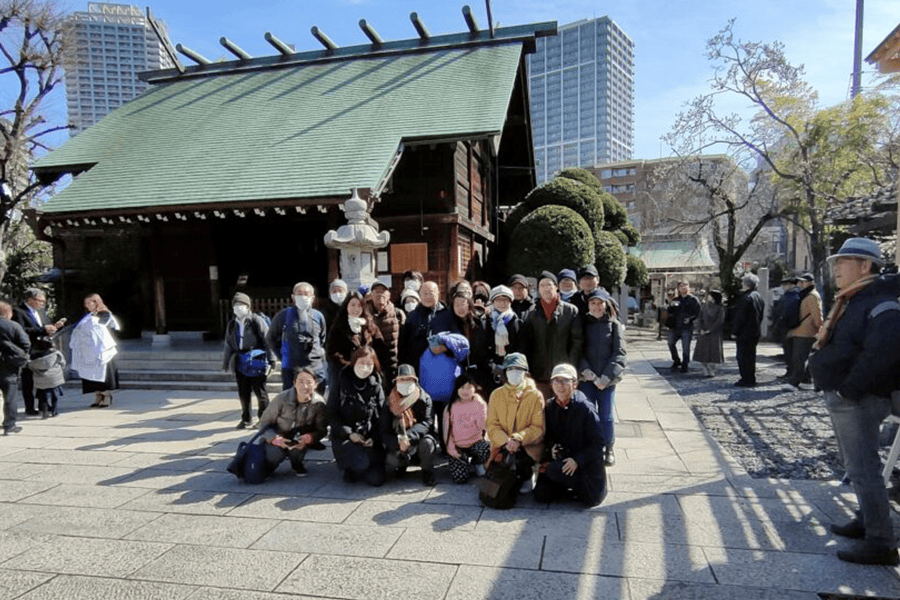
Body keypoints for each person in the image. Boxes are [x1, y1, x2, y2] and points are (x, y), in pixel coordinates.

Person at [808, 238, 900, 566]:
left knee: (864, 470)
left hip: (859, 398)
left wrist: (849, 389)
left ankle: (881, 541)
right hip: (849, 397)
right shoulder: (857, 297)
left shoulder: (879, 300)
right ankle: (867, 520)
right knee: (857, 467)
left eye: (844, 261)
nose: (836, 268)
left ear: (865, 266)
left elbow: (884, 352)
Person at [534, 363, 607, 507]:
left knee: (591, 499)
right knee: (541, 495)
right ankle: (567, 486)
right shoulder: (551, 406)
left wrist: (577, 460)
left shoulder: (585, 408)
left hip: (584, 464)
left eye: (565, 381)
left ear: (575, 384)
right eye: (556, 380)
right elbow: (550, 436)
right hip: (564, 459)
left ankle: (575, 486)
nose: (560, 385)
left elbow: (598, 445)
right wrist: (552, 448)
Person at [578, 288, 626, 467]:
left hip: (607, 380)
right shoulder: (583, 324)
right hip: (587, 379)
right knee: (588, 414)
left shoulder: (614, 325)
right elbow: (578, 350)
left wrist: (606, 376)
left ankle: (608, 447)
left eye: (600, 303)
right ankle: (591, 447)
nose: (597, 307)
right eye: (593, 303)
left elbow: (620, 354)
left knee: (606, 416)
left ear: (606, 305)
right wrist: (586, 371)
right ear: (588, 305)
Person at [327, 346, 386, 486]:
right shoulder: (341, 381)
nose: (364, 368)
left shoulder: (376, 384)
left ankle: (364, 461)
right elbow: (331, 414)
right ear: (354, 362)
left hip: (368, 436)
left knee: (376, 480)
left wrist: (374, 437)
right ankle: (349, 466)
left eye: (369, 364)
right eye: (361, 363)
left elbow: (382, 415)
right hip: (346, 437)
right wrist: (349, 434)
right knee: (359, 464)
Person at [486, 352, 545, 491]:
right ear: (505, 372)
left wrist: (518, 439)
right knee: (498, 485)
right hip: (503, 445)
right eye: (510, 369)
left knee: (522, 463)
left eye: (519, 369)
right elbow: (492, 425)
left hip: (527, 445)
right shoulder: (496, 394)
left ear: (526, 372)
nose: (515, 373)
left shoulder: (535, 395)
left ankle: (527, 475)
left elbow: (538, 427)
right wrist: (506, 441)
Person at [520, 270, 583, 399]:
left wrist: (570, 365)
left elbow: (577, 341)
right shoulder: (531, 313)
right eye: (542, 285)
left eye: (549, 284)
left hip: (563, 373)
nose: (546, 288)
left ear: (556, 287)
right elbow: (526, 343)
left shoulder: (570, 311)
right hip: (539, 373)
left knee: (563, 409)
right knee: (541, 410)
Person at [257, 367, 328, 477]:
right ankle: (268, 466)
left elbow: (322, 430)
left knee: (297, 450)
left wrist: (308, 439)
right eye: (300, 382)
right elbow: (263, 423)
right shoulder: (281, 399)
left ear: (315, 384)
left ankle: (297, 464)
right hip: (278, 435)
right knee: (275, 455)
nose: (304, 386)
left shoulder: (319, 403)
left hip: (298, 438)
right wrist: (274, 439)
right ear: (294, 383)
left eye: (309, 382)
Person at [223, 292, 276, 429]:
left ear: (248, 306)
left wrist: (271, 360)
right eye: (236, 305)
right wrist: (225, 361)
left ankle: (264, 419)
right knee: (243, 391)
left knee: (260, 391)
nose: (238, 308)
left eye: (241, 305)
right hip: (240, 358)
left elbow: (267, 340)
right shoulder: (232, 324)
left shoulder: (256, 321)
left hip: (256, 357)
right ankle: (246, 418)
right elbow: (228, 344)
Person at [380, 364, 438, 486]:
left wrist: (408, 438)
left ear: (415, 381)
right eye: (402, 379)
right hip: (398, 442)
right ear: (396, 382)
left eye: (409, 379)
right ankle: (401, 466)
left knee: (427, 444)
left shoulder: (425, 398)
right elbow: (384, 429)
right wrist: (398, 442)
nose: (405, 382)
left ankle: (427, 471)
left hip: (419, 439)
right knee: (391, 460)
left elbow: (427, 422)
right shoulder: (389, 401)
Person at [266, 282, 327, 391]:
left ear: (312, 298)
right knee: (291, 398)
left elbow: (322, 337)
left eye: (306, 294)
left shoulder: (318, 316)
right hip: (291, 366)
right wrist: (282, 355)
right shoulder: (283, 315)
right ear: (293, 297)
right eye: (299, 294)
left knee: (317, 396)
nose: (303, 297)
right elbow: (271, 338)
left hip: (315, 365)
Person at [13, 288, 65, 415]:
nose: (42, 304)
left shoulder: (41, 312)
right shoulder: (18, 311)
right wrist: (43, 330)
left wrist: (53, 328)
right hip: (29, 350)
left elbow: (44, 326)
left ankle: (44, 405)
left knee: (45, 378)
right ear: (30, 299)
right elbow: (21, 330)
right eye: (40, 301)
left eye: (43, 301)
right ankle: (29, 407)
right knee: (28, 380)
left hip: (44, 349)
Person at [326, 291, 388, 396]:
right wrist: (349, 365)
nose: (356, 309)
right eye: (352, 305)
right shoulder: (339, 325)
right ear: (346, 306)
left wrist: (372, 364)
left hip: (367, 371)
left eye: (359, 305)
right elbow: (332, 351)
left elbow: (380, 348)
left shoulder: (370, 325)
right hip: (344, 373)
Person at [69, 294, 119, 407]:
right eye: (86, 303)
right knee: (90, 374)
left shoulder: (105, 314)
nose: (87, 305)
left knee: (103, 374)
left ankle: (106, 395)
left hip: (101, 349)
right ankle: (97, 395)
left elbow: (102, 329)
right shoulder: (86, 316)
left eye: (90, 302)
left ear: (96, 302)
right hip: (87, 350)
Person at [444, 371, 490, 484]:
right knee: (459, 478)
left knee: (487, 448)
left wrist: (480, 408)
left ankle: (477, 462)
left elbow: (484, 426)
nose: (465, 391)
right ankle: (464, 463)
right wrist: (451, 449)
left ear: (475, 388)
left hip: (476, 443)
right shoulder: (451, 407)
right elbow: (447, 431)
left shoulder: (479, 403)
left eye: (469, 387)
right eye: (462, 387)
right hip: (458, 446)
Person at [399, 281, 453, 370]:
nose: (428, 297)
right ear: (420, 295)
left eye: (431, 293)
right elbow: (404, 346)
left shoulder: (448, 315)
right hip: (418, 366)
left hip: (443, 366)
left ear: (438, 294)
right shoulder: (412, 316)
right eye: (425, 293)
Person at [785, 273, 823, 389]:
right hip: (804, 331)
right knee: (802, 358)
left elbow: (817, 316)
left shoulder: (811, 296)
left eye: (803, 281)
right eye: (799, 281)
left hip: (806, 332)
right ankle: (805, 381)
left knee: (799, 359)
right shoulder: (808, 295)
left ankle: (794, 382)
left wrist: (820, 330)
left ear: (810, 283)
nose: (800, 284)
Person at [483, 286, 523, 393]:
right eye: (498, 300)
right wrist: (493, 367)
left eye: (505, 300)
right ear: (493, 302)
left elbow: (519, 347)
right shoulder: (486, 320)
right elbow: (483, 346)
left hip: (511, 369)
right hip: (489, 370)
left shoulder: (515, 321)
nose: (502, 303)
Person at [0, 301, 29, 435]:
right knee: (10, 397)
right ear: (7, 312)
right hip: (9, 366)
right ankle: (9, 426)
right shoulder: (13, 325)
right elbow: (25, 344)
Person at [367, 281, 404, 386]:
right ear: (371, 295)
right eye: (376, 292)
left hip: (392, 366)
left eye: (383, 291)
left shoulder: (398, 314)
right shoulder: (364, 314)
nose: (380, 294)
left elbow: (404, 340)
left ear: (389, 295)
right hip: (370, 365)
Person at [731, 273, 764, 387]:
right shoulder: (758, 296)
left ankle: (746, 378)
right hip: (755, 331)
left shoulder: (746, 298)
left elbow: (741, 317)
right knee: (751, 356)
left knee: (743, 356)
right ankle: (751, 377)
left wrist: (735, 331)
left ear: (746, 284)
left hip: (744, 332)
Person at [665, 281, 700, 373]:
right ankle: (676, 360)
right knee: (670, 343)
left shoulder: (693, 299)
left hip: (686, 327)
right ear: (678, 288)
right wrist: (670, 305)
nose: (683, 287)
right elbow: (669, 312)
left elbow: (697, 312)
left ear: (688, 287)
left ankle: (685, 364)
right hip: (675, 326)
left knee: (685, 347)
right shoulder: (676, 299)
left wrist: (690, 319)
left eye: (685, 285)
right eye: (681, 286)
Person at [28, 341, 66, 419]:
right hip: (54, 378)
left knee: (43, 397)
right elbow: (63, 363)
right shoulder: (56, 354)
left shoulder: (35, 357)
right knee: (54, 396)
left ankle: (44, 413)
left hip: (41, 381)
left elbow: (30, 366)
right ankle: (54, 412)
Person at [693, 290, 725, 378]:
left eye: (710, 295)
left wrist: (710, 330)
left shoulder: (720, 308)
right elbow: (700, 318)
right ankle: (705, 369)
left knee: (713, 353)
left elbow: (720, 321)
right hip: (703, 333)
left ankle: (711, 369)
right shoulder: (704, 306)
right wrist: (700, 329)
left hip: (714, 333)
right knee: (702, 352)